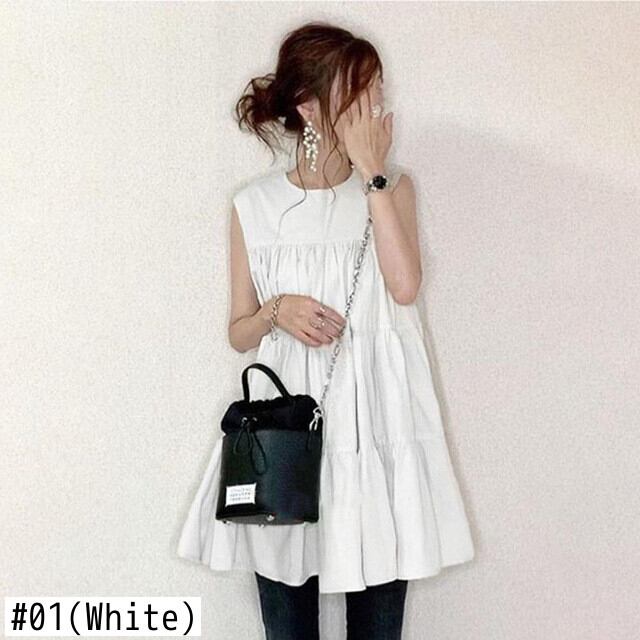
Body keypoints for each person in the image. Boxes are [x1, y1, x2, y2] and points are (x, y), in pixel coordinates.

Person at [177, 21, 475, 640]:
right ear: (309, 106)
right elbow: (239, 332)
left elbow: (404, 286)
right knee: (287, 622)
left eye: (377, 89)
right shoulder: (254, 206)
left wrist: (372, 172)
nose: (375, 104)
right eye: (358, 91)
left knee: (379, 622)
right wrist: (276, 311)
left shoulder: (391, 189)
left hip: (379, 427)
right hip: (289, 433)